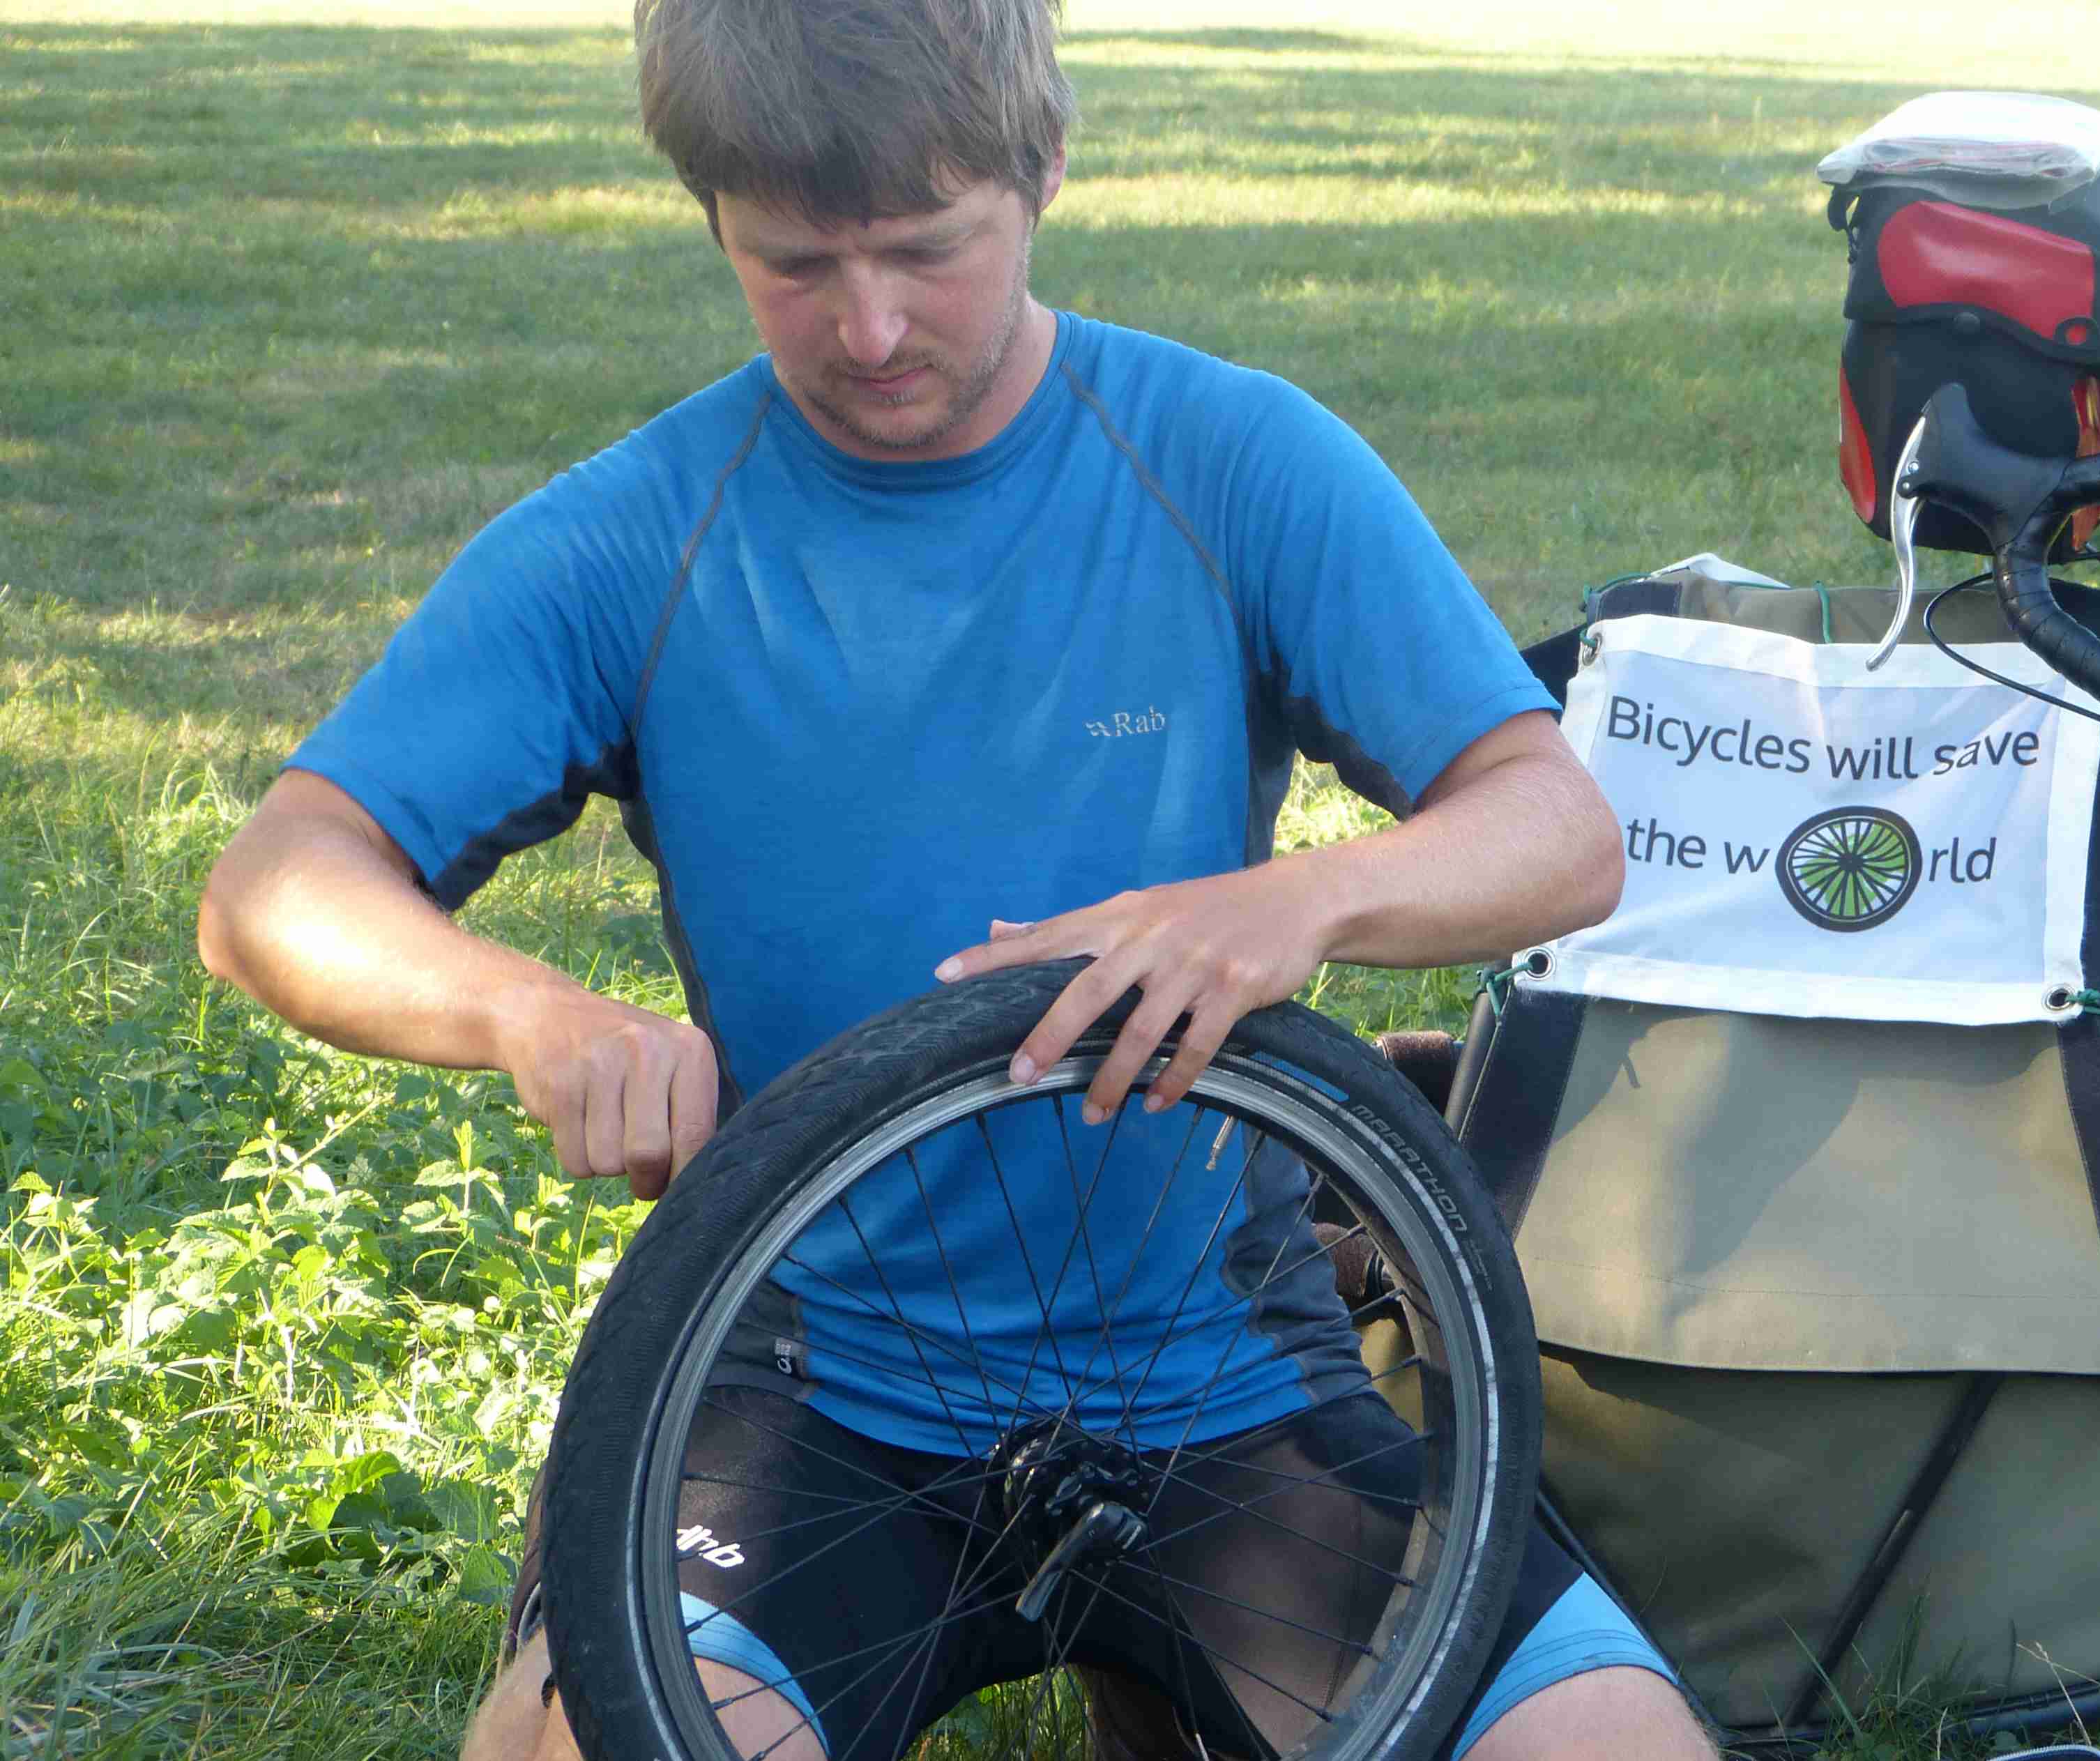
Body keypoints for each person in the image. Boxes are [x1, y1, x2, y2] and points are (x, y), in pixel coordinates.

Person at [197, 3, 1715, 1758]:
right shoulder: (639, 532)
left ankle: (1177, 1678)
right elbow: (276, 883)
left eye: (928, 248)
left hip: (1222, 1377)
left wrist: (1296, 900)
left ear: (1042, 167)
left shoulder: (1228, 455)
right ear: (709, 219)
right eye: (793, 266)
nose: (871, 326)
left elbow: (1557, 828)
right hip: (797, 1375)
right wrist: (528, 1014)